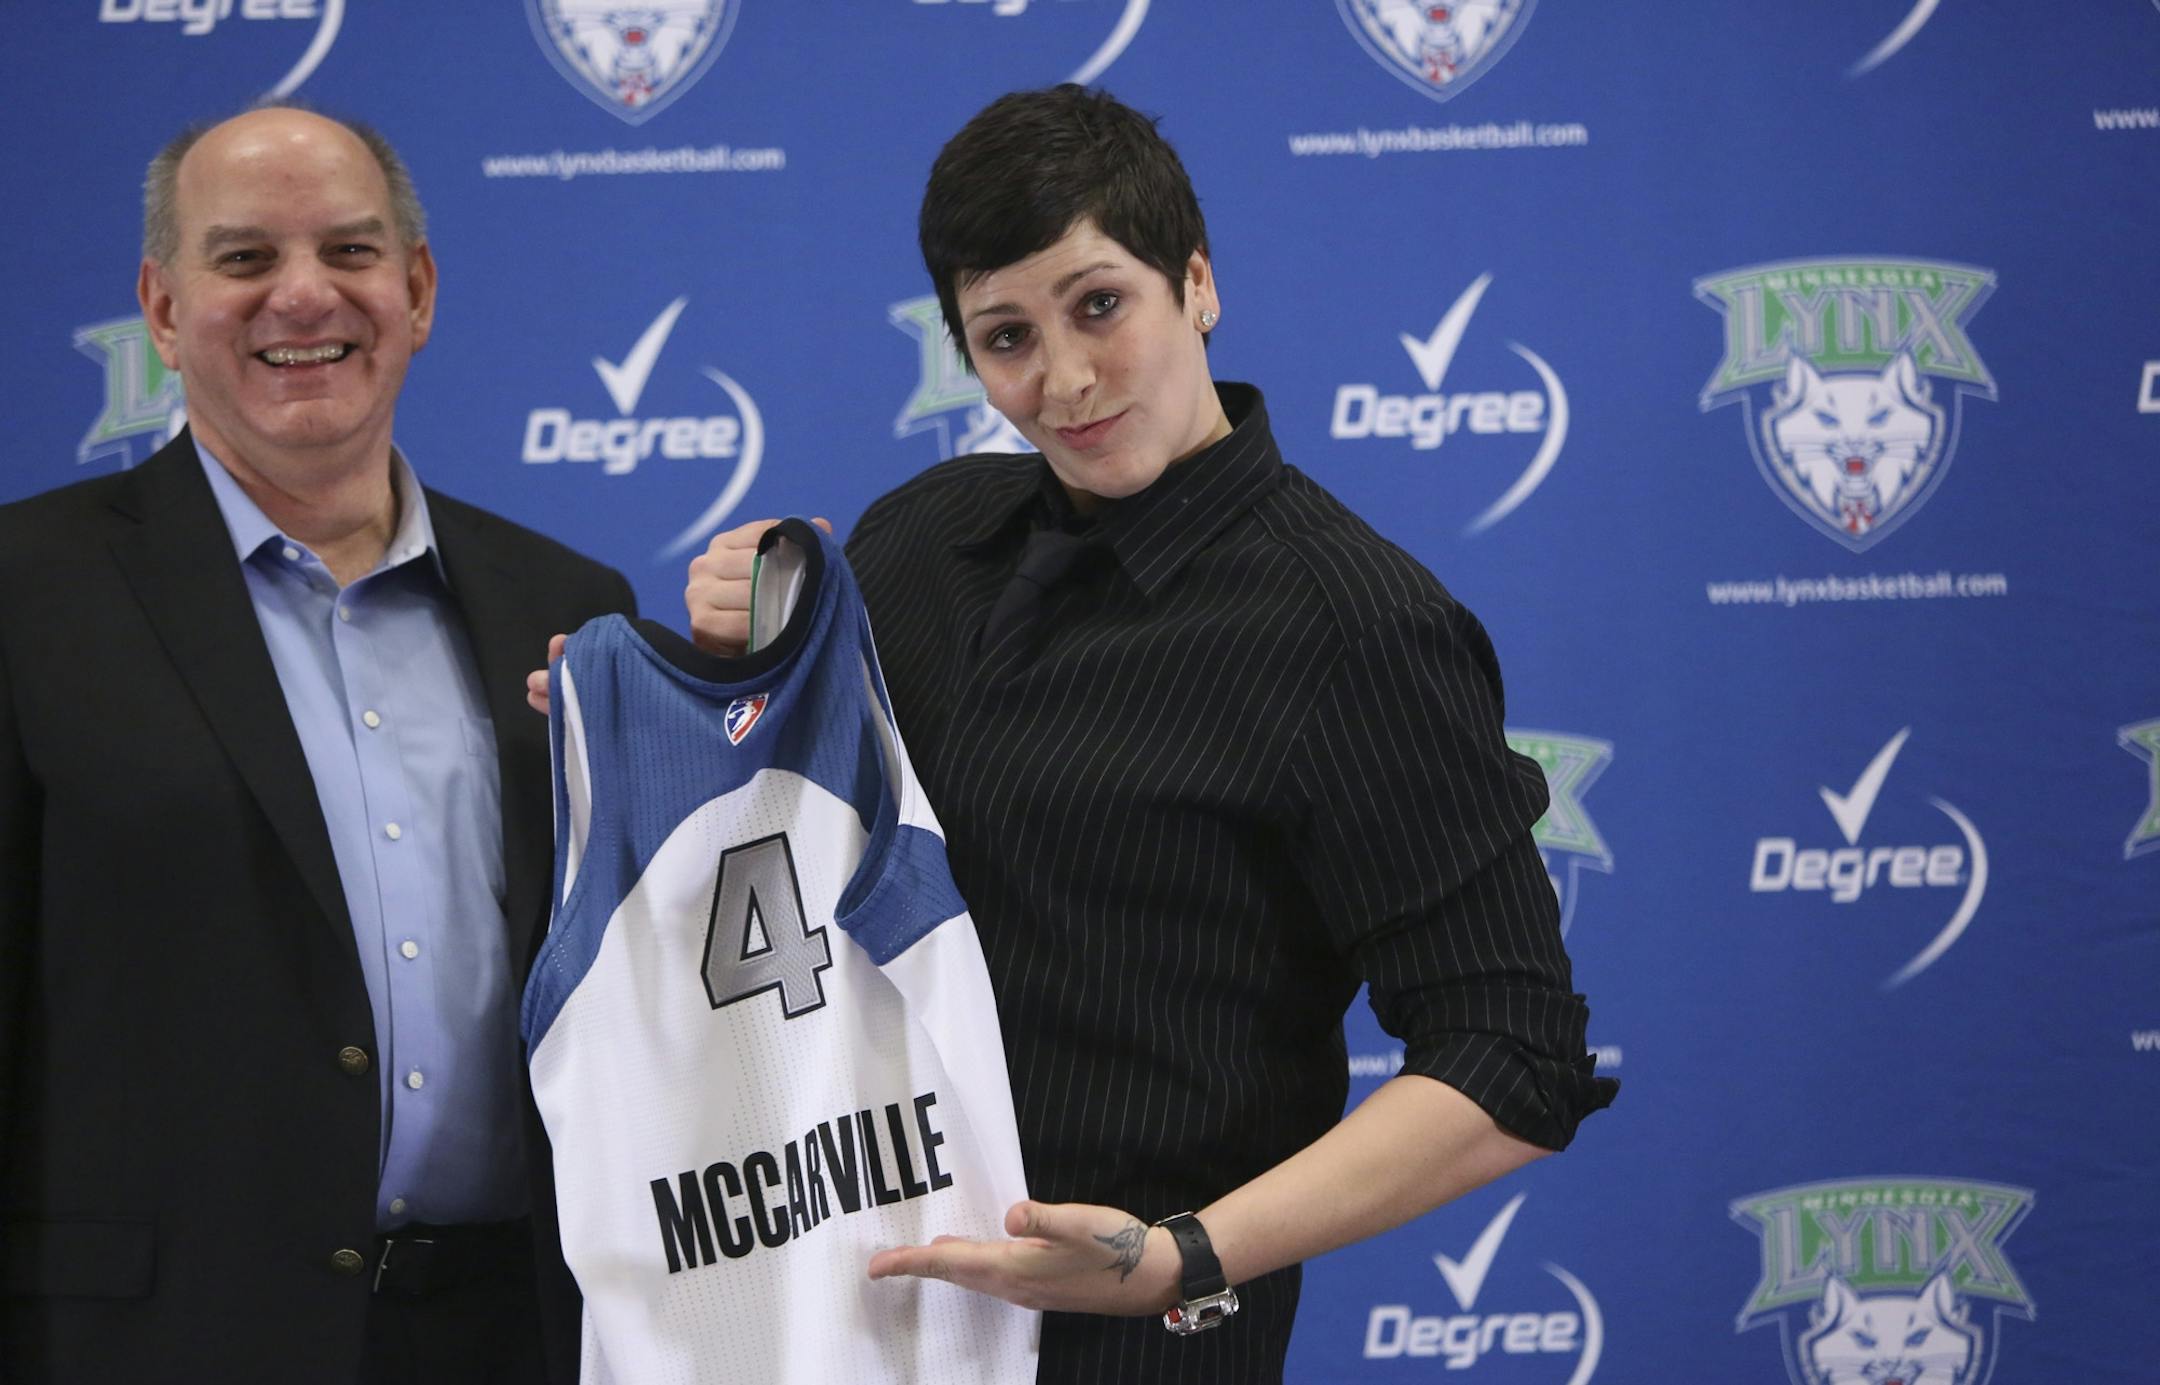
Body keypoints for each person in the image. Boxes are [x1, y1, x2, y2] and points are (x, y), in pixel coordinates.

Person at [671, 85, 1617, 1382]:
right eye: (1008, 336)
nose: (1063, 379)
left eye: (1100, 304)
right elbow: (784, 855)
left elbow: (1515, 1055)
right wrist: (691, 692)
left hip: (1136, 1355)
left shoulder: (1355, 625)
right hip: (836, 1321)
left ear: (1198, 284)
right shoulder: (918, 539)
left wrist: (1183, 1255)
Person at [0, 106, 633, 1384]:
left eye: (349, 250)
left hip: (512, 1335)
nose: (303, 294)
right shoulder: (27, 590)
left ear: (417, 289)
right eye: (244, 258)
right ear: (163, 309)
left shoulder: (572, 603)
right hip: (153, 1341)